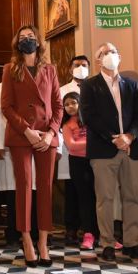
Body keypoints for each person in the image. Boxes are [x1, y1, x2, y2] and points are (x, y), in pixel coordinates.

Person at [80, 42, 138, 262]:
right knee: (105, 199)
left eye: (113, 51)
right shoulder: (90, 85)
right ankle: (108, 243)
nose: (109, 55)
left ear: (119, 57)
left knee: (132, 197)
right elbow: (88, 116)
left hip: (131, 148)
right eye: (104, 53)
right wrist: (115, 139)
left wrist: (129, 136)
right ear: (99, 60)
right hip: (104, 149)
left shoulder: (131, 84)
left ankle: (132, 242)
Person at [1, 24, 63, 267]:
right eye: (22, 37)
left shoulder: (50, 69)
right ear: (17, 43)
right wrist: (27, 131)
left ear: (38, 42)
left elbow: (58, 105)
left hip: (46, 136)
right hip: (22, 135)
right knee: (24, 187)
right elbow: (6, 106)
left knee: (46, 188)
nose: (27, 40)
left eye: (31, 36)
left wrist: (50, 134)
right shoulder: (10, 69)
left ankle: (44, 242)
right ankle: (26, 239)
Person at [0, 82, 38, 247]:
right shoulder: (2, 87)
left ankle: (36, 231)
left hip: (36, 144)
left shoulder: (36, 83)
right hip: (10, 143)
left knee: (35, 191)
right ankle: (14, 233)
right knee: (14, 193)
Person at [58, 55, 90, 245]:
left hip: (92, 154)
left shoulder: (94, 87)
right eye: (77, 65)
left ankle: (91, 229)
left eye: (84, 65)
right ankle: (71, 228)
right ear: (70, 69)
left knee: (91, 192)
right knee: (72, 191)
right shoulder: (62, 91)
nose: (80, 68)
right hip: (70, 149)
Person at [61, 92, 97, 250]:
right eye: (66, 104)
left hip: (95, 162)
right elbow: (71, 146)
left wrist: (87, 142)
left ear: (80, 103)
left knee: (99, 198)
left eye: (73, 103)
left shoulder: (89, 120)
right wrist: (92, 142)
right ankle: (88, 234)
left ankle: (102, 234)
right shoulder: (66, 125)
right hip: (77, 163)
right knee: (84, 198)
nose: (70, 107)